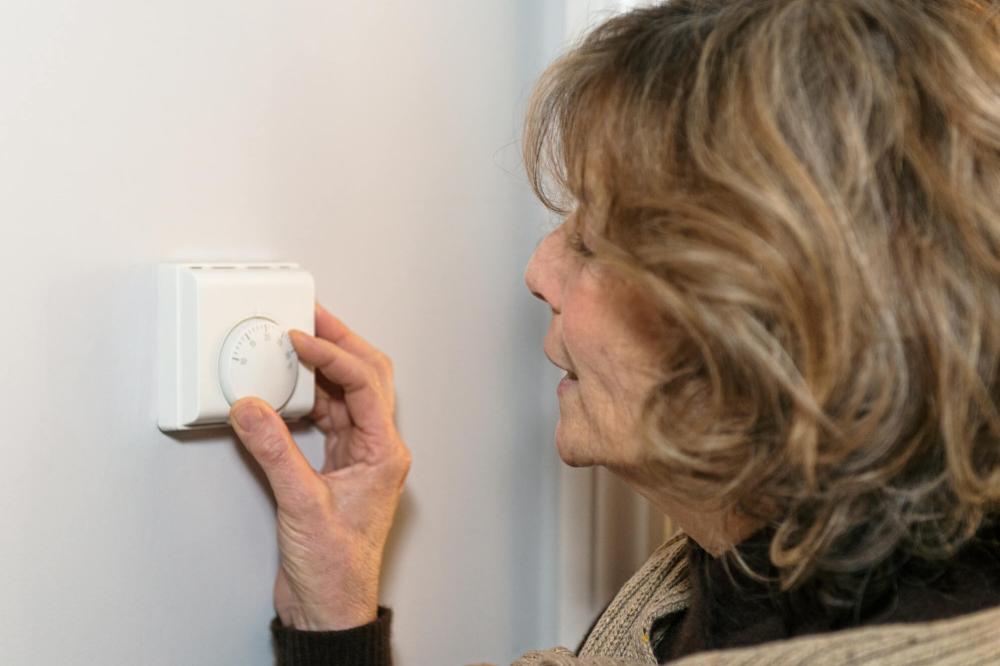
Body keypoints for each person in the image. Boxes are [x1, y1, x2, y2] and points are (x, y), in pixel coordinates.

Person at [229, 0, 1000, 663]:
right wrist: (333, 609)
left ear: (769, 330)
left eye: (597, 243)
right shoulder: (722, 581)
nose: (539, 269)